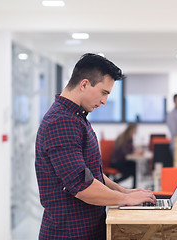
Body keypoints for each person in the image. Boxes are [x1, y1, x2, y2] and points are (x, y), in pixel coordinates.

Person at [35, 53, 156, 239]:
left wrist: (123, 191)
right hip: (69, 233)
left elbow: (90, 173)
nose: (105, 101)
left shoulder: (77, 118)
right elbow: (81, 186)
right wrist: (125, 199)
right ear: (84, 84)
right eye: (104, 92)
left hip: (89, 228)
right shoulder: (61, 122)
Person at [111, 123, 137, 188]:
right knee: (129, 171)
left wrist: (135, 152)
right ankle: (115, 182)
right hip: (117, 161)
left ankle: (134, 186)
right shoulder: (125, 138)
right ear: (132, 130)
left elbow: (129, 151)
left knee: (134, 165)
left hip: (122, 160)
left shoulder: (128, 137)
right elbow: (126, 152)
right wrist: (135, 153)